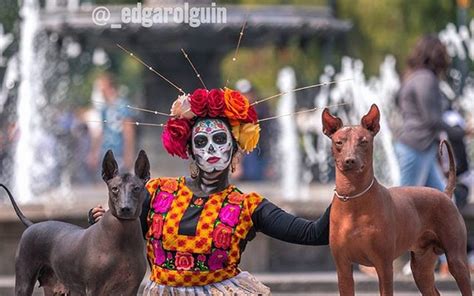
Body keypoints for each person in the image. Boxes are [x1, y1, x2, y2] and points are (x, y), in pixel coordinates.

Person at [90, 87, 331, 295]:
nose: (211, 149)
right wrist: (102, 222)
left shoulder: (247, 206)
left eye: (219, 139)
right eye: (202, 142)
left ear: (234, 149)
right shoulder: (157, 191)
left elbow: (313, 233)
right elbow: (119, 234)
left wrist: (349, 187)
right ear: (192, 152)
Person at [395, 34, 451, 192]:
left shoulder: (413, 76)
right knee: (404, 203)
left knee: (442, 202)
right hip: (416, 147)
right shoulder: (425, 79)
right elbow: (431, 119)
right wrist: (460, 131)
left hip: (421, 148)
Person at [87, 72, 136, 173]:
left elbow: (128, 131)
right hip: (105, 154)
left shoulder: (123, 105)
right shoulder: (104, 108)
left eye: (101, 87)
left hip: (119, 154)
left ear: (109, 87)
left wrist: (129, 155)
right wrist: (94, 152)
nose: (100, 91)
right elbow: (101, 132)